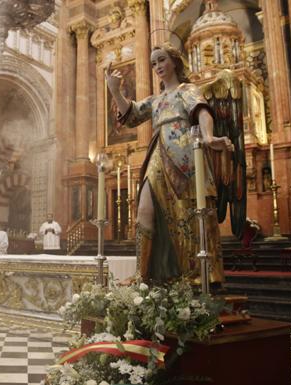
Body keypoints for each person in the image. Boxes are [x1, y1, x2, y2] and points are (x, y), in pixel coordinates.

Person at [105, 43, 233, 283]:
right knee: (144, 208)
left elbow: (202, 111)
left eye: (161, 60)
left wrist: (207, 137)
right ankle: (142, 274)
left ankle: (195, 275)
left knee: (188, 212)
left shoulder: (187, 90)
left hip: (185, 155)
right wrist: (114, 90)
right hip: (158, 152)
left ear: (174, 61)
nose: (157, 66)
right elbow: (131, 116)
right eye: (153, 63)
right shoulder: (155, 100)